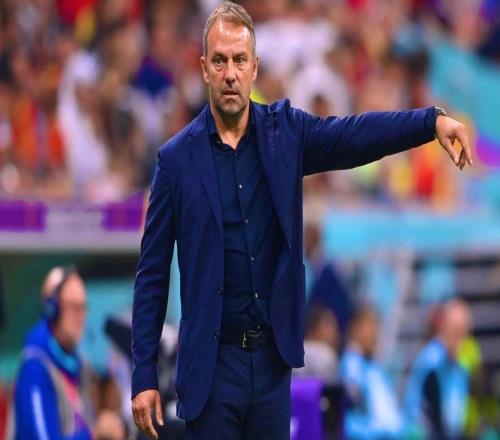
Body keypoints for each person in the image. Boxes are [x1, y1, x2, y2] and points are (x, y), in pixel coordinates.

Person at [131, 2, 473, 439]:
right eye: (220, 61)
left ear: (255, 68)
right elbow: (152, 274)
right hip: (211, 371)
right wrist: (143, 374)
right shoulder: (175, 161)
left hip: (272, 366)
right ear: (204, 69)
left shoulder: (285, 134)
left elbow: (354, 136)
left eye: (239, 61)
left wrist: (429, 122)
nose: (230, 73)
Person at [10, 266, 94, 439]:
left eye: (83, 307)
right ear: (52, 309)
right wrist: (94, 436)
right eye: (74, 307)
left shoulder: (78, 365)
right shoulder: (35, 366)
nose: (81, 317)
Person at [405, 299, 472, 439]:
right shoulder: (432, 361)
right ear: (444, 327)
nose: (461, 339)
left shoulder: (460, 368)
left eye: (464, 332)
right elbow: (420, 415)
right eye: (456, 330)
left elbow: (456, 419)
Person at [339, 307, 405, 439]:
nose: (375, 332)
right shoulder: (351, 366)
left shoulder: (376, 369)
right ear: (355, 328)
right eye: (370, 326)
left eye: (377, 326)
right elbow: (350, 418)